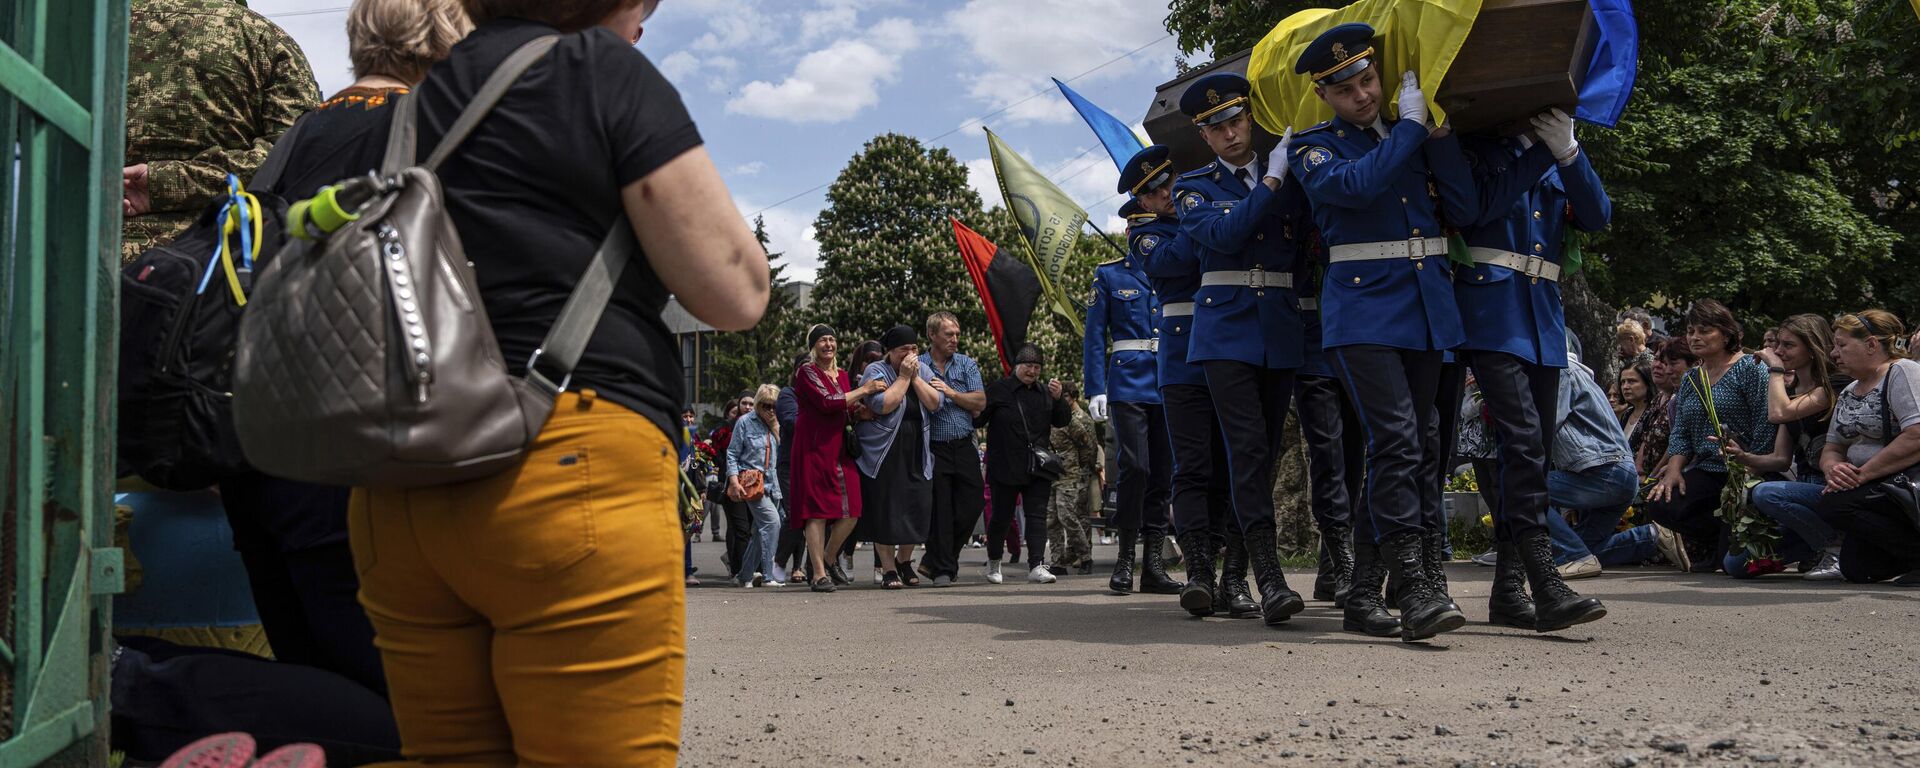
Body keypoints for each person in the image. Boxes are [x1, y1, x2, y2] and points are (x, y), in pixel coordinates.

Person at [344, 1, 770, 763]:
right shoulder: (600, 71)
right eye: (643, 7)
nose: (642, 27)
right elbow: (735, 292)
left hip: (402, 486)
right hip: (567, 463)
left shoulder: (411, 110)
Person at [1289, 23, 1478, 641]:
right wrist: (1411, 132)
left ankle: (1364, 591)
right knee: (1397, 439)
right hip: (1362, 313)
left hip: (1424, 308)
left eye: (1368, 80)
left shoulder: (1412, 134)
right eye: (1346, 90)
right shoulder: (1315, 148)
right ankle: (1415, 585)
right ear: (1325, 95)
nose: (1363, 96)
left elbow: (1464, 208)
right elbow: (1357, 186)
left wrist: (1439, 134)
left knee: (1411, 448)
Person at [1446, 87, 1612, 631]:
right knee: (1520, 441)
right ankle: (1545, 581)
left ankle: (1507, 590)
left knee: (1533, 453)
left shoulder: (1551, 149)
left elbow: (1596, 214)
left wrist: (1569, 153)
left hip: (1541, 319)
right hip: (1489, 312)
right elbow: (1481, 207)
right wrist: (1544, 152)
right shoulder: (1477, 149)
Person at [1171, 70, 1312, 626]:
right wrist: (1271, 184)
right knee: (1247, 448)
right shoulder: (1193, 186)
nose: (1230, 134)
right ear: (1203, 137)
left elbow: (1303, 248)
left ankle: (1232, 577)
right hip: (1225, 330)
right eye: (1217, 128)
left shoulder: (1288, 175)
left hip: (1278, 325)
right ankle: (1269, 576)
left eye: (1236, 121)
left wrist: (1281, 179)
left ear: (1250, 119)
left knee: (1264, 452)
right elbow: (1226, 237)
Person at [1126, 154, 1262, 620]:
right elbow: (1178, 261)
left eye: (1170, 183)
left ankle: (1235, 577)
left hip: (1233, 348)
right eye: (1152, 191)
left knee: (1236, 466)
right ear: (1140, 200)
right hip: (1183, 360)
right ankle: (1201, 571)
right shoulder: (1146, 235)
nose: (1165, 194)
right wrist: (1201, 213)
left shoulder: (1206, 205)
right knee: (1194, 468)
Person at [122, 0, 319, 262]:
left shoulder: (95, 34)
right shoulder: (263, 39)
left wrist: (159, 183)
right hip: (214, 269)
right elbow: (294, 159)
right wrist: (168, 184)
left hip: (77, 263)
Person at [1083, 189, 1179, 597]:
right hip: (1128, 382)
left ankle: (1153, 565)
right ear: (1129, 232)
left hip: (1169, 378)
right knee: (1136, 468)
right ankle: (1124, 560)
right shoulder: (1110, 275)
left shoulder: (1171, 269)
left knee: (1163, 472)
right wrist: (1095, 387)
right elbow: (1094, 336)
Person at [1642, 300, 1778, 572]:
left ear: (1726, 334)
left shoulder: (1751, 368)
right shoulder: (1692, 378)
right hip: (1708, 468)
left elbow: (1765, 422)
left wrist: (1753, 465)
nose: (1695, 337)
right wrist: (1674, 470)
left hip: (1744, 470)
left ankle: (1725, 542)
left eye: (1704, 331)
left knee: (1731, 567)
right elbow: (1681, 431)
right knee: (1660, 501)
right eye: (1691, 331)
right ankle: (1715, 534)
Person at [1726, 314, 1846, 579]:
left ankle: (1836, 549)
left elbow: (1779, 413)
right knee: (1737, 565)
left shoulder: (1835, 384)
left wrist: (1775, 370)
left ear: (1812, 347)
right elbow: (1781, 459)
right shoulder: (1790, 391)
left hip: (1829, 486)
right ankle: (1816, 546)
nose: (1778, 351)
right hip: (1801, 490)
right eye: (1777, 344)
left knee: (1767, 494)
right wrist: (1744, 457)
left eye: (1788, 345)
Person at [1815, 311, 1920, 584]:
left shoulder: (1902, 372)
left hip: (1899, 483)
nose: (1834, 353)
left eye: (1842, 345)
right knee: (1858, 569)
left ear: (1872, 345)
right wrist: (1833, 469)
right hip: (1869, 486)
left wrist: (1860, 476)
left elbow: (1916, 435)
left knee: (1834, 505)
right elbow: (1832, 445)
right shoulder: (1850, 389)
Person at [1539, 358, 1659, 580]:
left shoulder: (1561, 370)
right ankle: (1654, 537)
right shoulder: (1570, 372)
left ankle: (1571, 555)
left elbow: (1545, 425)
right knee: (1589, 549)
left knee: (1522, 488)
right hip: (1617, 474)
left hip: (1603, 472)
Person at [792, 325, 887, 592]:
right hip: (812, 447)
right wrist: (865, 389)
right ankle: (819, 575)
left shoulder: (842, 375)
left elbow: (845, 407)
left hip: (839, 448)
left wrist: (862, 412)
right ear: (813, 346)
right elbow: (828, 402)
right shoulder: (807, 372)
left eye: (832, 339)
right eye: (822, 340)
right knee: (816, 512)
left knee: (853, 508)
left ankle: (829, 557)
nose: (829, 344)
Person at [854, 326, 944, 589]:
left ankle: (904, 560)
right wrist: (904, 378)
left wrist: (915, 378)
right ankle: (888, 568)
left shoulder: (923, 370)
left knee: (918, 506)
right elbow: (883, 404)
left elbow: (935, 403)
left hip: (917, 448)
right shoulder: (876, 371)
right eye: (904, 349)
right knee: (887, 509)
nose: (911, 353)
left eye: (914, 348)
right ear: (891, 352)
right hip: (884, 451)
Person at [977, 345, 1072, 584]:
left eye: (1037, 367)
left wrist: (1059, 399)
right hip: (1005, 464)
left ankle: (1037, 565)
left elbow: (1062, 421)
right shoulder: (999, 389)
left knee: (1037, 516)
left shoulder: (1045, 392)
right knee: (1001, 516)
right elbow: (978, 419)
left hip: (1037, 466)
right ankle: (994, 563)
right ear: (1016, 366)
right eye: (1028, 366)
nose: (1032, 371)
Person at [919, 312, 989, 587]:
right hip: (934, 447)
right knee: (942, 510)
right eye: (949, 334)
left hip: (963, 443)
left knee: (973, 504)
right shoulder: (920, 365)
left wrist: (951, 393)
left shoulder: (966, 365)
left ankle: (935, 558)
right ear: (932, 336)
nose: (955, 340)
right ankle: (943, 570)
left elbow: (980, 401)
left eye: (957, 334)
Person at [727, 385, 785, 588]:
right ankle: (768, 576)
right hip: (753, 483)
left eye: (774, 406)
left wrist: (775, 427)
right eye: (765, 406)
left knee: (760, 532)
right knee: (772, 523)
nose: (770, 410)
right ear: (758, 404)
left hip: (773, 484)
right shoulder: (744, 422)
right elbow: (732, 453)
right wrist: (734, 481)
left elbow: (784, 450)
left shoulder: (777, 423)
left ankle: (745, 575)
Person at [1048, 382, 1099, 574]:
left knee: (1067, 515)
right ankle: (1057, 561)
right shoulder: (1046, 418)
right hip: (1052, 475)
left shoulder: (1070, 419)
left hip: (1070, 474)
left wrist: (1081, 466)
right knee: (1051, 519)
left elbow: (1087, 444)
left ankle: (1085, 556)